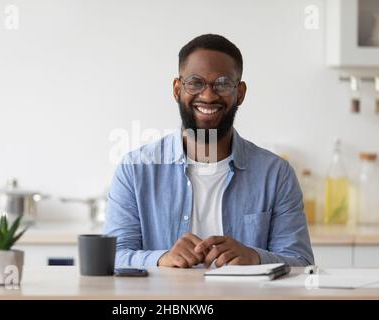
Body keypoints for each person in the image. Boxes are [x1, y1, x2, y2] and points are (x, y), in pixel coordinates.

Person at [104, 34, 314, 268]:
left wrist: (254, 257)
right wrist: (162, 258)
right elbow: (114, 257)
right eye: (195, 82)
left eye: (223, 83)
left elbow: (301, 263)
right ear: (177, 89)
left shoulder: (275, 174)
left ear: (240, 93)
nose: (208, 95)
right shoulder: (135, 169)